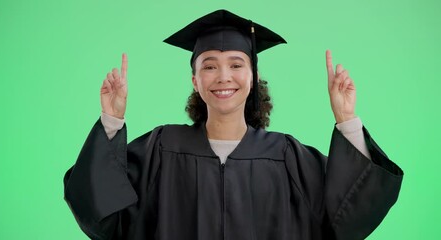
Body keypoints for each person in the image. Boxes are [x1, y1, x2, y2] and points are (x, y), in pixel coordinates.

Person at [64, 9, 403, 240]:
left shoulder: (288, 157)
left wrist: (347, 121)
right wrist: (112, 119)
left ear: (253, 78)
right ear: (195, 80)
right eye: (209, 66)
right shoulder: (162, 148)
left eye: (236, 64)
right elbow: (104, 217)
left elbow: (349, 218)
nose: (223, 77)